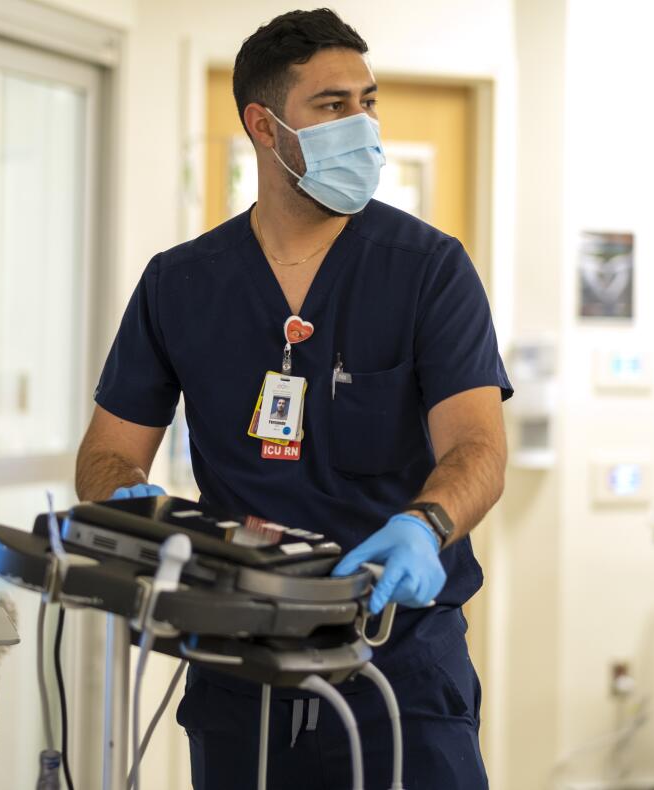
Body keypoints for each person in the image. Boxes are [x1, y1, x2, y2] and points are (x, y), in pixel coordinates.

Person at [76, 10, 510, 790]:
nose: (364, 125)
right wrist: (125, 505)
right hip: (239, 668)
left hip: (398, 662)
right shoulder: (182, 282)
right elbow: (107, 452)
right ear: (264, 126)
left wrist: (425, 525)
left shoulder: (429, 270)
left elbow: (478, 446)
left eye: (369, 102)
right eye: (334, 106)